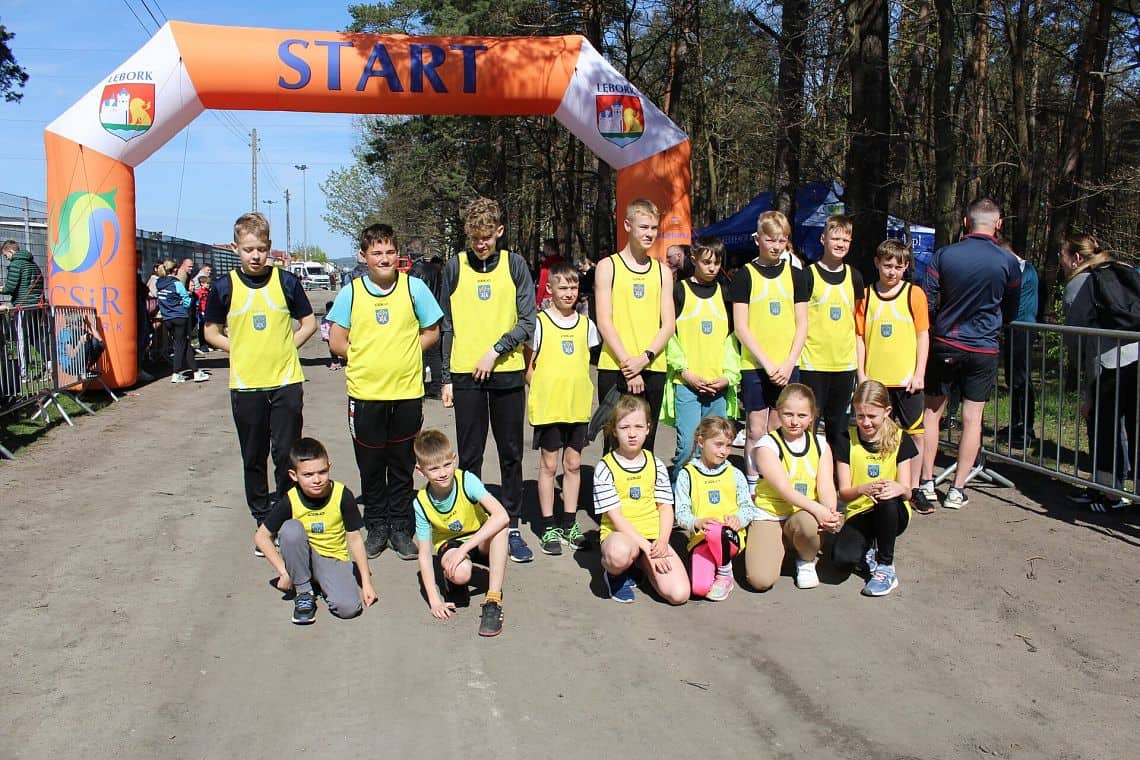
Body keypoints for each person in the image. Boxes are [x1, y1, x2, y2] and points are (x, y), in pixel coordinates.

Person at [327, 223, 443, 561]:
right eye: (376, 252)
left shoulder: (414, 288)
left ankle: (401, 527)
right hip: (365, 394)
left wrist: (405, 353)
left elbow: (432, 330)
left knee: (402, 463)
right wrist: (366, 357)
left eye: (390, 252)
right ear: (363, 256)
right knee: (371, 465)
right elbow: (336, 340)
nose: (384, 258)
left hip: (406, 393)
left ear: (398, 254)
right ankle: (377, 525)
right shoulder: (352, 292)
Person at [204, 212, 317, 543]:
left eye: (261, 249)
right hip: (246, 385)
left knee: (286, 454)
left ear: (270, 247)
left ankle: (284, 517)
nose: (255, 256)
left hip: (285, 382)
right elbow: (211, 332)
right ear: (236, 248)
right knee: (253, 456)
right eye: (248, 249)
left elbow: (309, 323)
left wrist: (287, 347)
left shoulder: (287, 282)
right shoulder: (224, 287)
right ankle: (261, 518)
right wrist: (238, 350)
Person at [439, 197, 537, 563]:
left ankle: (510, 525)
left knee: (511, 453)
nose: (481, 244)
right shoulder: (455, 266)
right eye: (475, 238)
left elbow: (528, 321)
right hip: (465, 375)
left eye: (487, 237)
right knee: (470, 455)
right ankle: (473, 525)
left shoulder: (515, 265)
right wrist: (446, 377)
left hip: (506, 373)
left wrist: (496, 350)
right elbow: (446, 324)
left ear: (499, 231)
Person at [920, 198, 1020, 510]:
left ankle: (925, 483)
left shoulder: (944, 255)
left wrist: (937, 325)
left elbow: (927, 299)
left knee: (932, 414)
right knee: (972, 419)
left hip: (946, 342)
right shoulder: (1008, 262)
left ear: (965, 222)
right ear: (998, 224)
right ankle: (957, 488)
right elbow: (1011, 308)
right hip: (984, 347)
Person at [254, 438, 377, 625]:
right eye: (308, 474)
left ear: (329, 467)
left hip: (333, 558)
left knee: (349, 609)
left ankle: (317, 580)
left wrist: (366, 583)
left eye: (322, 472)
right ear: (294, 475)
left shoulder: (342, 495)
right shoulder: (291, 499)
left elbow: (355, 540)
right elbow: (261, 537)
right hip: (302, 556)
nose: (317, 480)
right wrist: (284, 571)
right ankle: (304, 591)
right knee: (290, 530)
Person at [731, 210, 811, 493]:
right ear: (758, 239)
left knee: (780, 428)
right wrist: (766, 363)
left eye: (782, 240)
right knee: (755, 429)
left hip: (787, 365)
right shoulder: (745, 275)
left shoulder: (797, 275)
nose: (776, 246)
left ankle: (774, 484)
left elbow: (802, 323)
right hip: (755, 366)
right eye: (770, 240)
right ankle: (752, 486)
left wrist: (788, 363)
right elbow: (741, 327)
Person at [524, 261, 599, 555]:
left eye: (574, 287)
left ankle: (569, 523)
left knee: (573, 465)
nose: (569, 293)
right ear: (550, 288)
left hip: (577, 407)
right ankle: (547, 525)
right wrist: (544, 391)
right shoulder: (539, 324)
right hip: (550, 409)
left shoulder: (586, 325)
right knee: (549, 465)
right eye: (563, 287)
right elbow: (528, 368)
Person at [1060, 233, 1138, 511]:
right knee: (1134, 427)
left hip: (1107, 363)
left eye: (1063, 255)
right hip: (1137, 355)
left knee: (1103, 427)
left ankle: (1108, 493)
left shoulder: (1080, 283)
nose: (1061, 261)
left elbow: (1074, 337)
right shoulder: (1125, 269)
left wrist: (1084, 387)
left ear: (1076, 258)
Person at [855, 239, 933, 513]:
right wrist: (862, 373)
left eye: (898, 267)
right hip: (876, 381)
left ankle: (913, 488)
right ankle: (875, 487)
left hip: (906, 380)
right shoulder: (866, 296)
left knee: (915, 435)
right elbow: (859, 337)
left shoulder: (914, 294)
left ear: (906, 267)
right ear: (877, 263)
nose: (892, 272)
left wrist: (919, 372)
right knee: (874, 433)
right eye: (887, 265)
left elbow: (922, 335)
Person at [595, 199, 676, 452]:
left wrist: (645, 358)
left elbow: (668, 324)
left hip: (652, 366)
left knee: (645, 445)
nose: (649, 233)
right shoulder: (608, 267)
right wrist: (629, 366)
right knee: (614, 442)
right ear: (627, 225)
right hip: (616, 366)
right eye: (644, 227)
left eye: (654, 228)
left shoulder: (663, 272)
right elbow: (604, 321)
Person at [412, 429, 510, 637]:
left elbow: (502, 515)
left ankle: (493, 601)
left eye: (447, 464)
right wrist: (434, 601)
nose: (443, 473)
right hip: (450, 544)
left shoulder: (467, 480)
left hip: (478, 539)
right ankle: (453, 579)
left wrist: (464, 548)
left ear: (454, 459)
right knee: (461, 573)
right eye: (434, 468)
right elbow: (424, 554)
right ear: (420, 471)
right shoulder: (421, 502)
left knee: (501, 527)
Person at [593, 395, 689, 605]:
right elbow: (616, 517)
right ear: (614, 430)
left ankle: (640, 565)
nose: (632, 433)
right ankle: (616, 575)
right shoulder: (605, 467)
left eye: (638, 426)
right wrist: (646, 547)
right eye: (624, 427)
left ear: (648, 429)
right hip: (621, 536)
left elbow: (665, 507)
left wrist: (662, 542)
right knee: (618, 554)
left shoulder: (656, 464)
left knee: (679, 594)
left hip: (652, 537)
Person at [749, 383, 840, 591]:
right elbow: (785, 490)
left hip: (802, 515)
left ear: (812, 416)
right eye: (788, 414)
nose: (794, 421)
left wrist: (830, 511)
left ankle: (806, 560)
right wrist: (819, 509)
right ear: (779, 412)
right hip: (770, 514)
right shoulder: (766, 445)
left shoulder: (820, 444)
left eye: (802, 415)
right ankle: (776, 543)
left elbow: (826, 485)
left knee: (809, 523)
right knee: (760, 580)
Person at [661, 235, 740, 473]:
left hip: (718, 386)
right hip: (687, 384)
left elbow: (732, 339)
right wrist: (685, 372)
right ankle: (681, 488)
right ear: (693, 258)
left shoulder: (726, 293)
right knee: (688, 446)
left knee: (716, 447)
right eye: (707, 262)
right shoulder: (679, 291)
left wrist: (728, 377)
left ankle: (708, 490)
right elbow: (669, 336)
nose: (712, 267)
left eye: (716, 262)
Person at [833, 380, 916, 597]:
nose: (866, 422)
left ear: (886, 412)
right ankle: (868, 547)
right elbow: (844, 493)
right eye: (860, 416)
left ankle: (886, 566)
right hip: (859, 511)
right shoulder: (846, 439)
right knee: (842, 560)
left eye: (872, 416)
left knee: (886, 496)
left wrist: (898, 488)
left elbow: (908, 491)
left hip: (892, 512)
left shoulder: (900, 438)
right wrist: (864, 488)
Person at [799, 214, 864, 453]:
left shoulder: (855, 277)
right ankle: (808, 470)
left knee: (839, 428)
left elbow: (857, 326)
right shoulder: (807, 275)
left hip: (844, 365)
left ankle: (839, 473)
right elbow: (799, 321)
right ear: (823, 238)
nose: (840, 244)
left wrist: (860, 370)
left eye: (845, 240)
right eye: (835, 238)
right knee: (808, 425)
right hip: (812, 364)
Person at [673, 416, 755, 601]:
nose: (724, 451)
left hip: (730, 537)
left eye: (728, 446)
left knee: (717, 531)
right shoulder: (687, 474)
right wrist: (697, 522)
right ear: (701, 442)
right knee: (699, 589)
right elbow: (681, 513)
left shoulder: (735, 473)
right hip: (702, 539)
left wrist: (738, 519)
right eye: (718, 445)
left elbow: (748, 508)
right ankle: (715, 566)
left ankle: (725, 573)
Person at [998, 240, 1039, 446]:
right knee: (1013, 378)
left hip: (1023, 328)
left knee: (1021, 379)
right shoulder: (1019, 269)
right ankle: (1016, 423)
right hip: (1014, 328)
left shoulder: (1024, 270)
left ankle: (1026, 428)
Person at [155, 259, 209, 384]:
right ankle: (176, 373)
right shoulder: (176, 283)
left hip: (167, 318)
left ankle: (196, 372)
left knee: (184, 344)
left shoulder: (159, 283)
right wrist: (185, 301)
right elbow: (187, 301)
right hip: (180, 317)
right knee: (181, 345)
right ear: (175, 270)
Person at [1, 240, 46, 379]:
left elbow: (10, 287)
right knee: (35, 337)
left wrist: (2, 289)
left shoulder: (16, 264)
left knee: (21, 338)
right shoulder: (33, 264)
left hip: (23, 306)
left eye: (5, 255)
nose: (6, 259)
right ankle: (51, 364)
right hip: (36, 306)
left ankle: (23, 373)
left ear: (10, 251)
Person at [534, 238, 565, 310]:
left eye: (544, 248)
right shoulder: (563, 261)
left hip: (548, 297)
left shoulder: (546, 263)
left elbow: (542, 282)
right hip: (562, 296)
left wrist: (538, 301)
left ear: (549, 248)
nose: (544, 250)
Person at [320, 300, 341, 370]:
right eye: (328, 310)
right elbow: (323, 327)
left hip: (337, 336)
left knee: (339, 348)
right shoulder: (325, 318)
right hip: (329, 337)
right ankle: (335, 362)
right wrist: (325, 336)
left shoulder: (337, 317)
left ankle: (344, 359)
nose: (330, 312)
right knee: (332, 350)